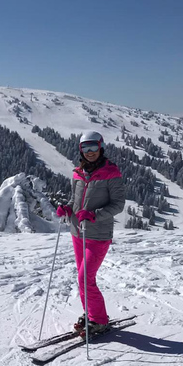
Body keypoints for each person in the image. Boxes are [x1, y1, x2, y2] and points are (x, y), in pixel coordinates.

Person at [56, 130, 125, 336]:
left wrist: (94, 214)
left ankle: (99, 320)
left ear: (101, 147)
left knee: (85, 278)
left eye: (94, 147)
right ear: (81, 149)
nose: (90, 152)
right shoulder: (77, 173)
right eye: (86, 148)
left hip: (98, 235)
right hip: (78, 232)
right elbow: (75, 201)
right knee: (82, 278)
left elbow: (118, 204)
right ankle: (92, 314)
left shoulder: (111, 173)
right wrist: (68, 208)